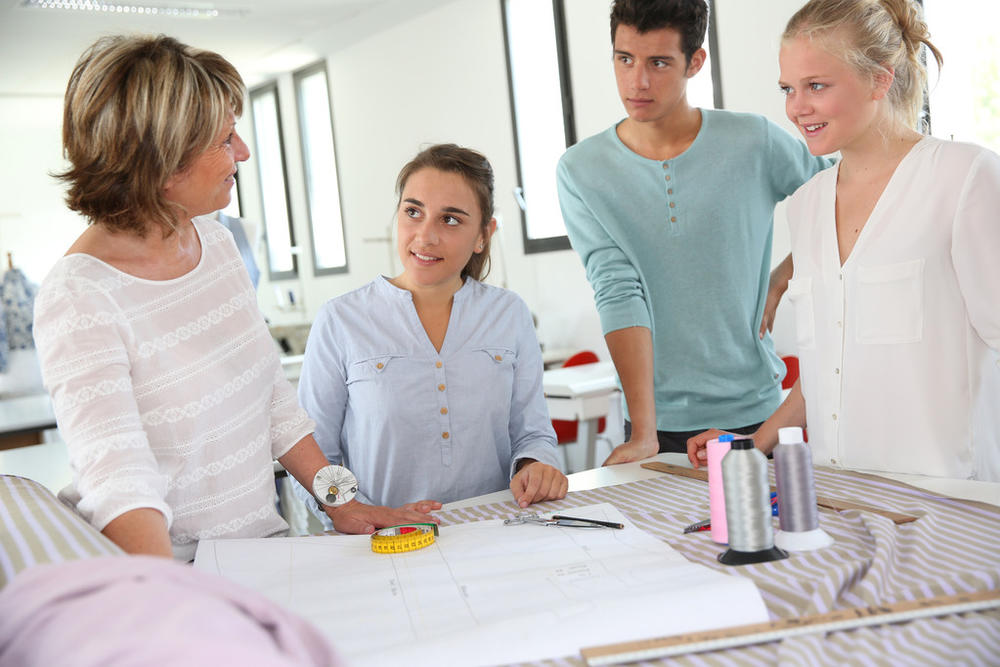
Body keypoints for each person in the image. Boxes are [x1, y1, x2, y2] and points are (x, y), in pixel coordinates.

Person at [33, 34, 436, 561]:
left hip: (259, 556)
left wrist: (342, 501)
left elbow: (272, 398)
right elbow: (119, 481)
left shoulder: (216, 242)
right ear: (163, 161)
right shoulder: (80, 295)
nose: (242, 152)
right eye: (225, 140)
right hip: (173, 573)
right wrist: (173, 604)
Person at [689, 0, 1000, 481]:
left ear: (880, 78)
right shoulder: (806, 205)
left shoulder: (963, 177)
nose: (796, 107)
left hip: (949, 506)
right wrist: (751, 445)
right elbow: (823, 371)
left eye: (816, 86)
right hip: (839, 502)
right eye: (788, 89)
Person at [556, 0, 830, 465]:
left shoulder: (752, 141)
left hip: (758, 413)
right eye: (625, 59)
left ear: (695, 62)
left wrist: (784, 274)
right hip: (653, 425)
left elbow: (842, 196)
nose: (637, 81)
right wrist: (644, 432)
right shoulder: (580, 170)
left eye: (658, 62)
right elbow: (617, 290)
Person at [291, 144, 567, 525]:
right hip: (380, 543)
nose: (425, 236)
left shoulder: (509, 314)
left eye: (450, 220)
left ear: (483, 235)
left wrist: (536, 467)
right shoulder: (341, 320)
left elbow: (532, 433)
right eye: (413, 212)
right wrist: (346, 508)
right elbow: (313, 455)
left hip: (494, 532)